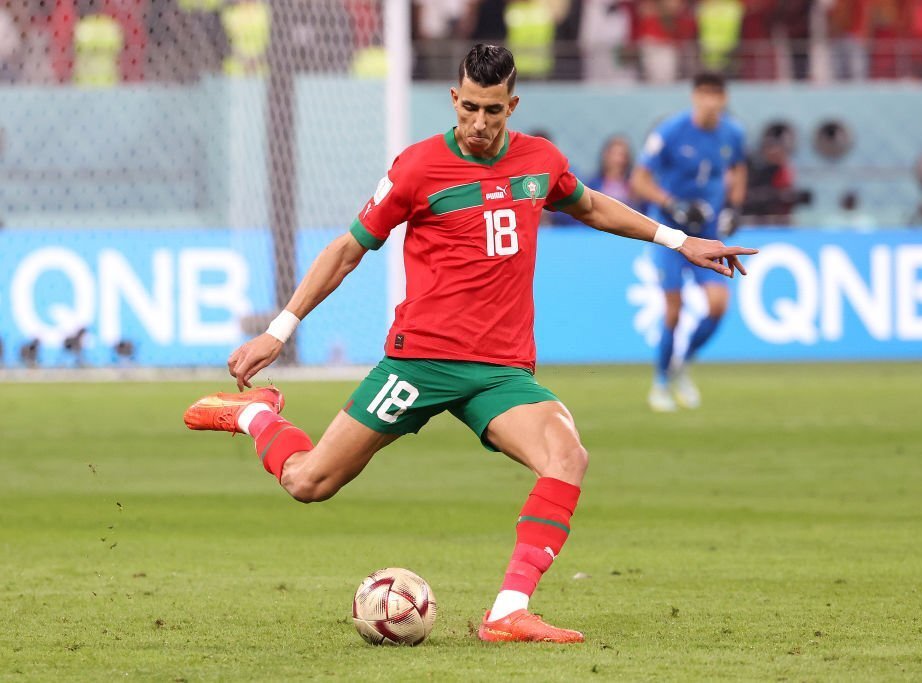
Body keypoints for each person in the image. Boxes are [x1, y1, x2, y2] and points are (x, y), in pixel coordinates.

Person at [183, 44, 755, 643]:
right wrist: (279, 329)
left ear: (512, 105)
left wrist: (680, 240)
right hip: (420, 362)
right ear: (455, 99)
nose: (479, 123)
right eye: (469, 109)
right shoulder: (417, 168)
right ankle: (254, 414)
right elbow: (348, 250)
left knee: (567, 456)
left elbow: (590, 206)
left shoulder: (540, 161)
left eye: (492, 111)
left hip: (501, 373)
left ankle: (508, 611)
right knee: (308, 483)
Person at [630, 71, 746, 412]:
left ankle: (682, 364)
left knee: (718, 305)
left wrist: (734, 207)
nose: (710, 101)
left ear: (724, 98)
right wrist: (671, 204)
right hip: (671, 233)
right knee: (674, 309)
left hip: (708, 232)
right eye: (704, 93)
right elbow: (639, 178)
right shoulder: (671, 131)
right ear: (694, 96)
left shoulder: (733, 133)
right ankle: (661, 382)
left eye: (716, 94)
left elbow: (739, 169)